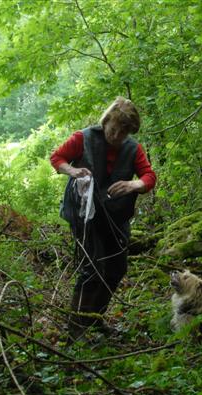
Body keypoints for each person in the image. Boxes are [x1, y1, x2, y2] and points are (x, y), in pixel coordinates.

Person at [50, 97, 156, 339]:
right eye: (113, 129)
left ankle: (94, 320)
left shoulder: (133, 149)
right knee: (92, 267)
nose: (116, 136)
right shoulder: (83, 138)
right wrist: (73, 170)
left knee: (117, 268)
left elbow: (149, 176)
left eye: (123, 133)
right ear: (106, 121)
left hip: (115, 217)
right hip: (83, 215)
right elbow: (57, 158)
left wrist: (134, 184)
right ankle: (75, 328)